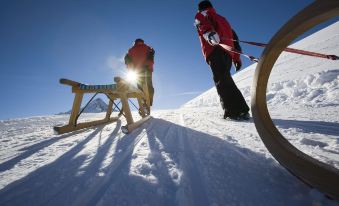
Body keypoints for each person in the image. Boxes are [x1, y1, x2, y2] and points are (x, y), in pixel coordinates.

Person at [194, 0, 250, 120]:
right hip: (228, 53)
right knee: (225, 78)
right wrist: (236, 58)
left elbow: (202, 24)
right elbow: (234, 38)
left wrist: (209, 34)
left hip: (215, 50)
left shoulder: (201, 15)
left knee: (222, 79)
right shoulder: (223, 19)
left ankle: (235, 111)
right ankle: (240, 110)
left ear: (201, 8)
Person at [124, 38, 155, 108]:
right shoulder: (148, 48)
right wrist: (150, 67)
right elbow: (152, 56)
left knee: (140, 88)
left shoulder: (131, 50)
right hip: (147, 70)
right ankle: (149, 103)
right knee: (149, 87)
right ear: (142, 42)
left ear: (135, 43)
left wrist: (130, 69)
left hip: (137, 71)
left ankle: (143, 103)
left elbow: (127, 60)